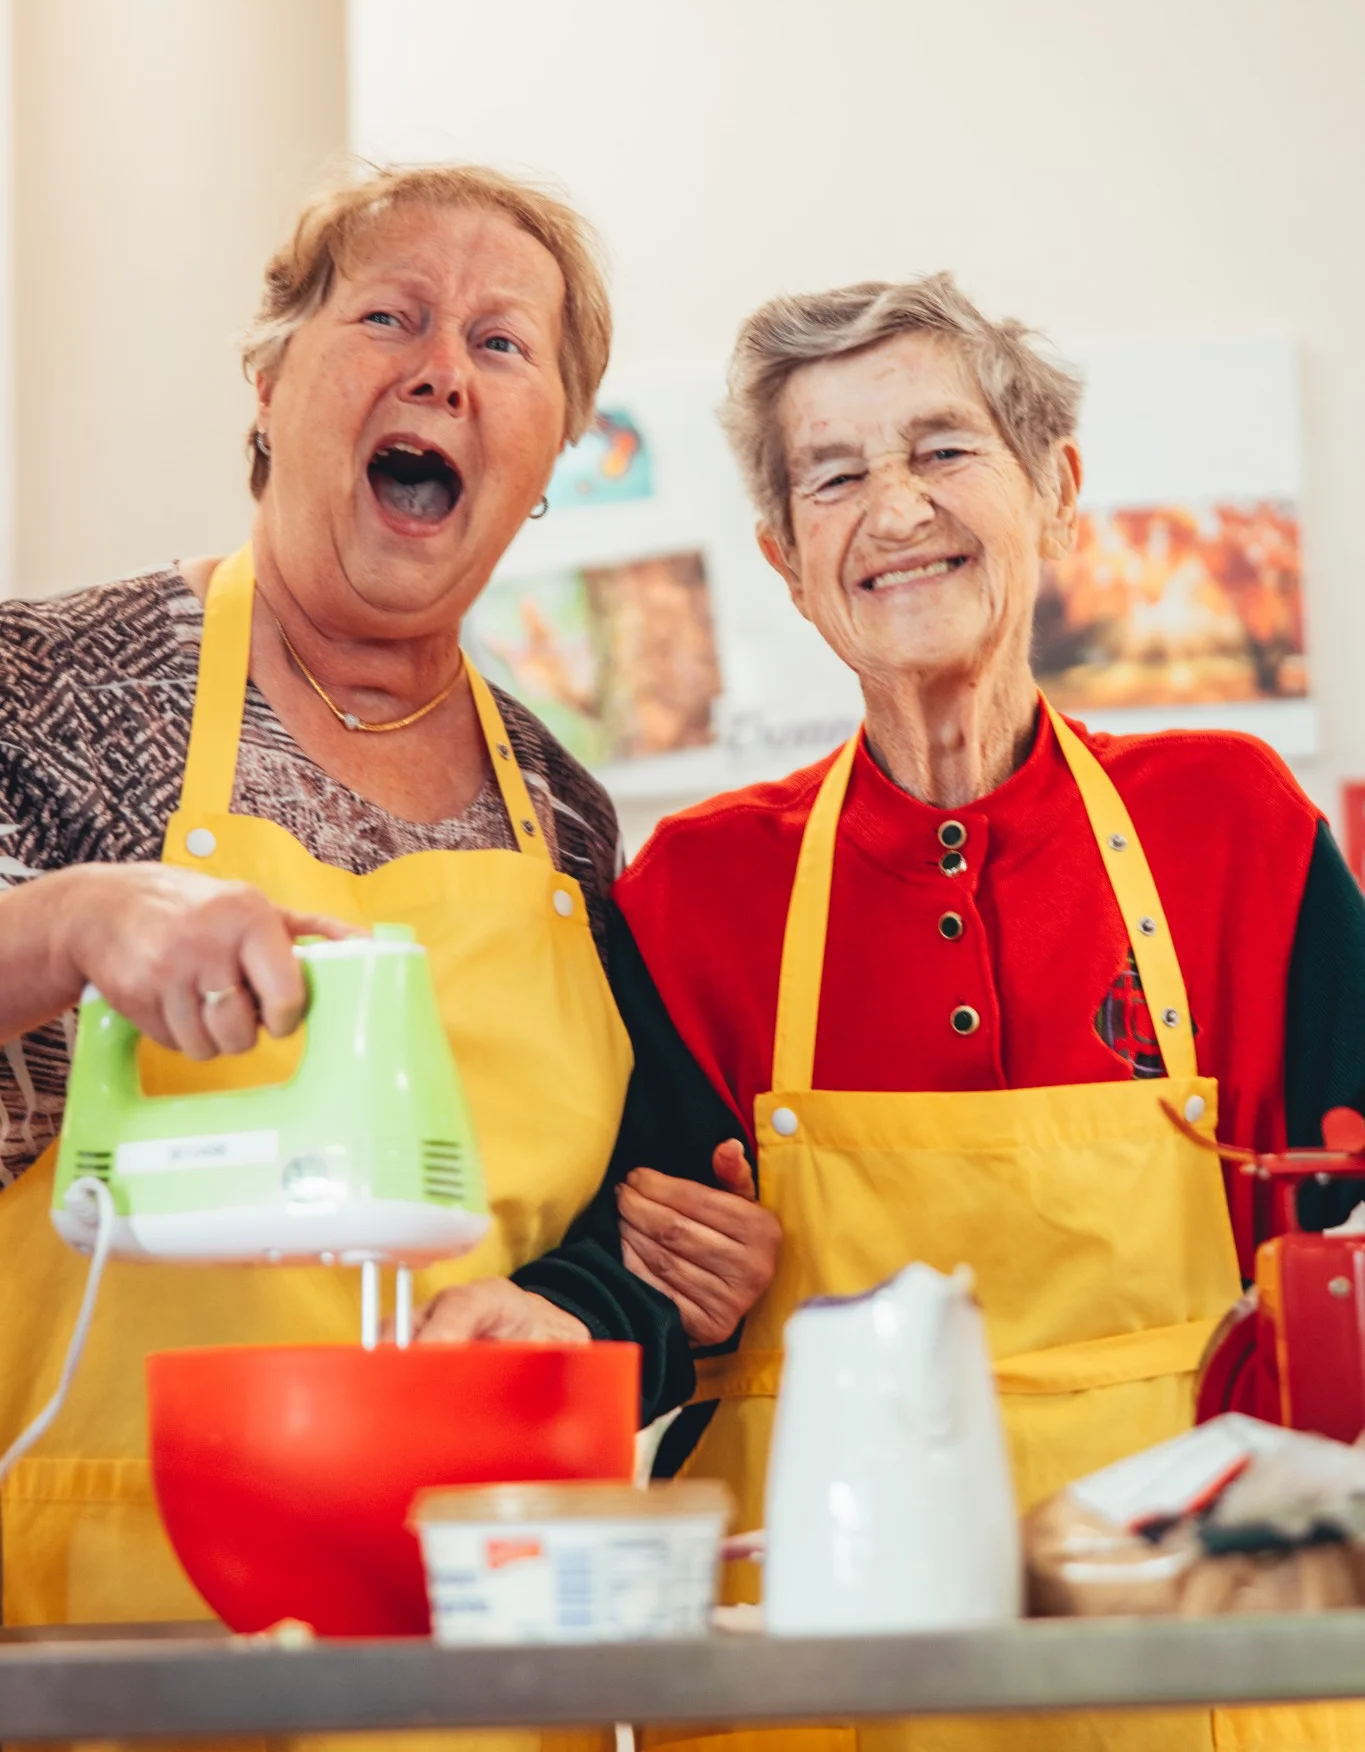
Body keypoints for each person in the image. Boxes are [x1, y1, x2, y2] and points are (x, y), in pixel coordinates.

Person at [0, 163, 776, 1663]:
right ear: (274, 381)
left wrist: (630, 1301)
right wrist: (79, 922)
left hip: (465, 1638)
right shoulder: (50, 685)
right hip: (102, 1628)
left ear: (550, 453)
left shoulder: (560, 809)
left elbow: (623, 1235)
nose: (442, 368)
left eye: (503, 344)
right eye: (391, 317)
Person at [613, 274, 1365, 1752]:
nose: (892, 510)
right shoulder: (692, 890)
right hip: (830, 1687)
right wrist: (658, 1279)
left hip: (1190, 1669)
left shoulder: (1238, 827)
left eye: (943, 450)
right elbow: (616, 1296)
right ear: (783, 555)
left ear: (1057, 491)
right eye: (834, 475)